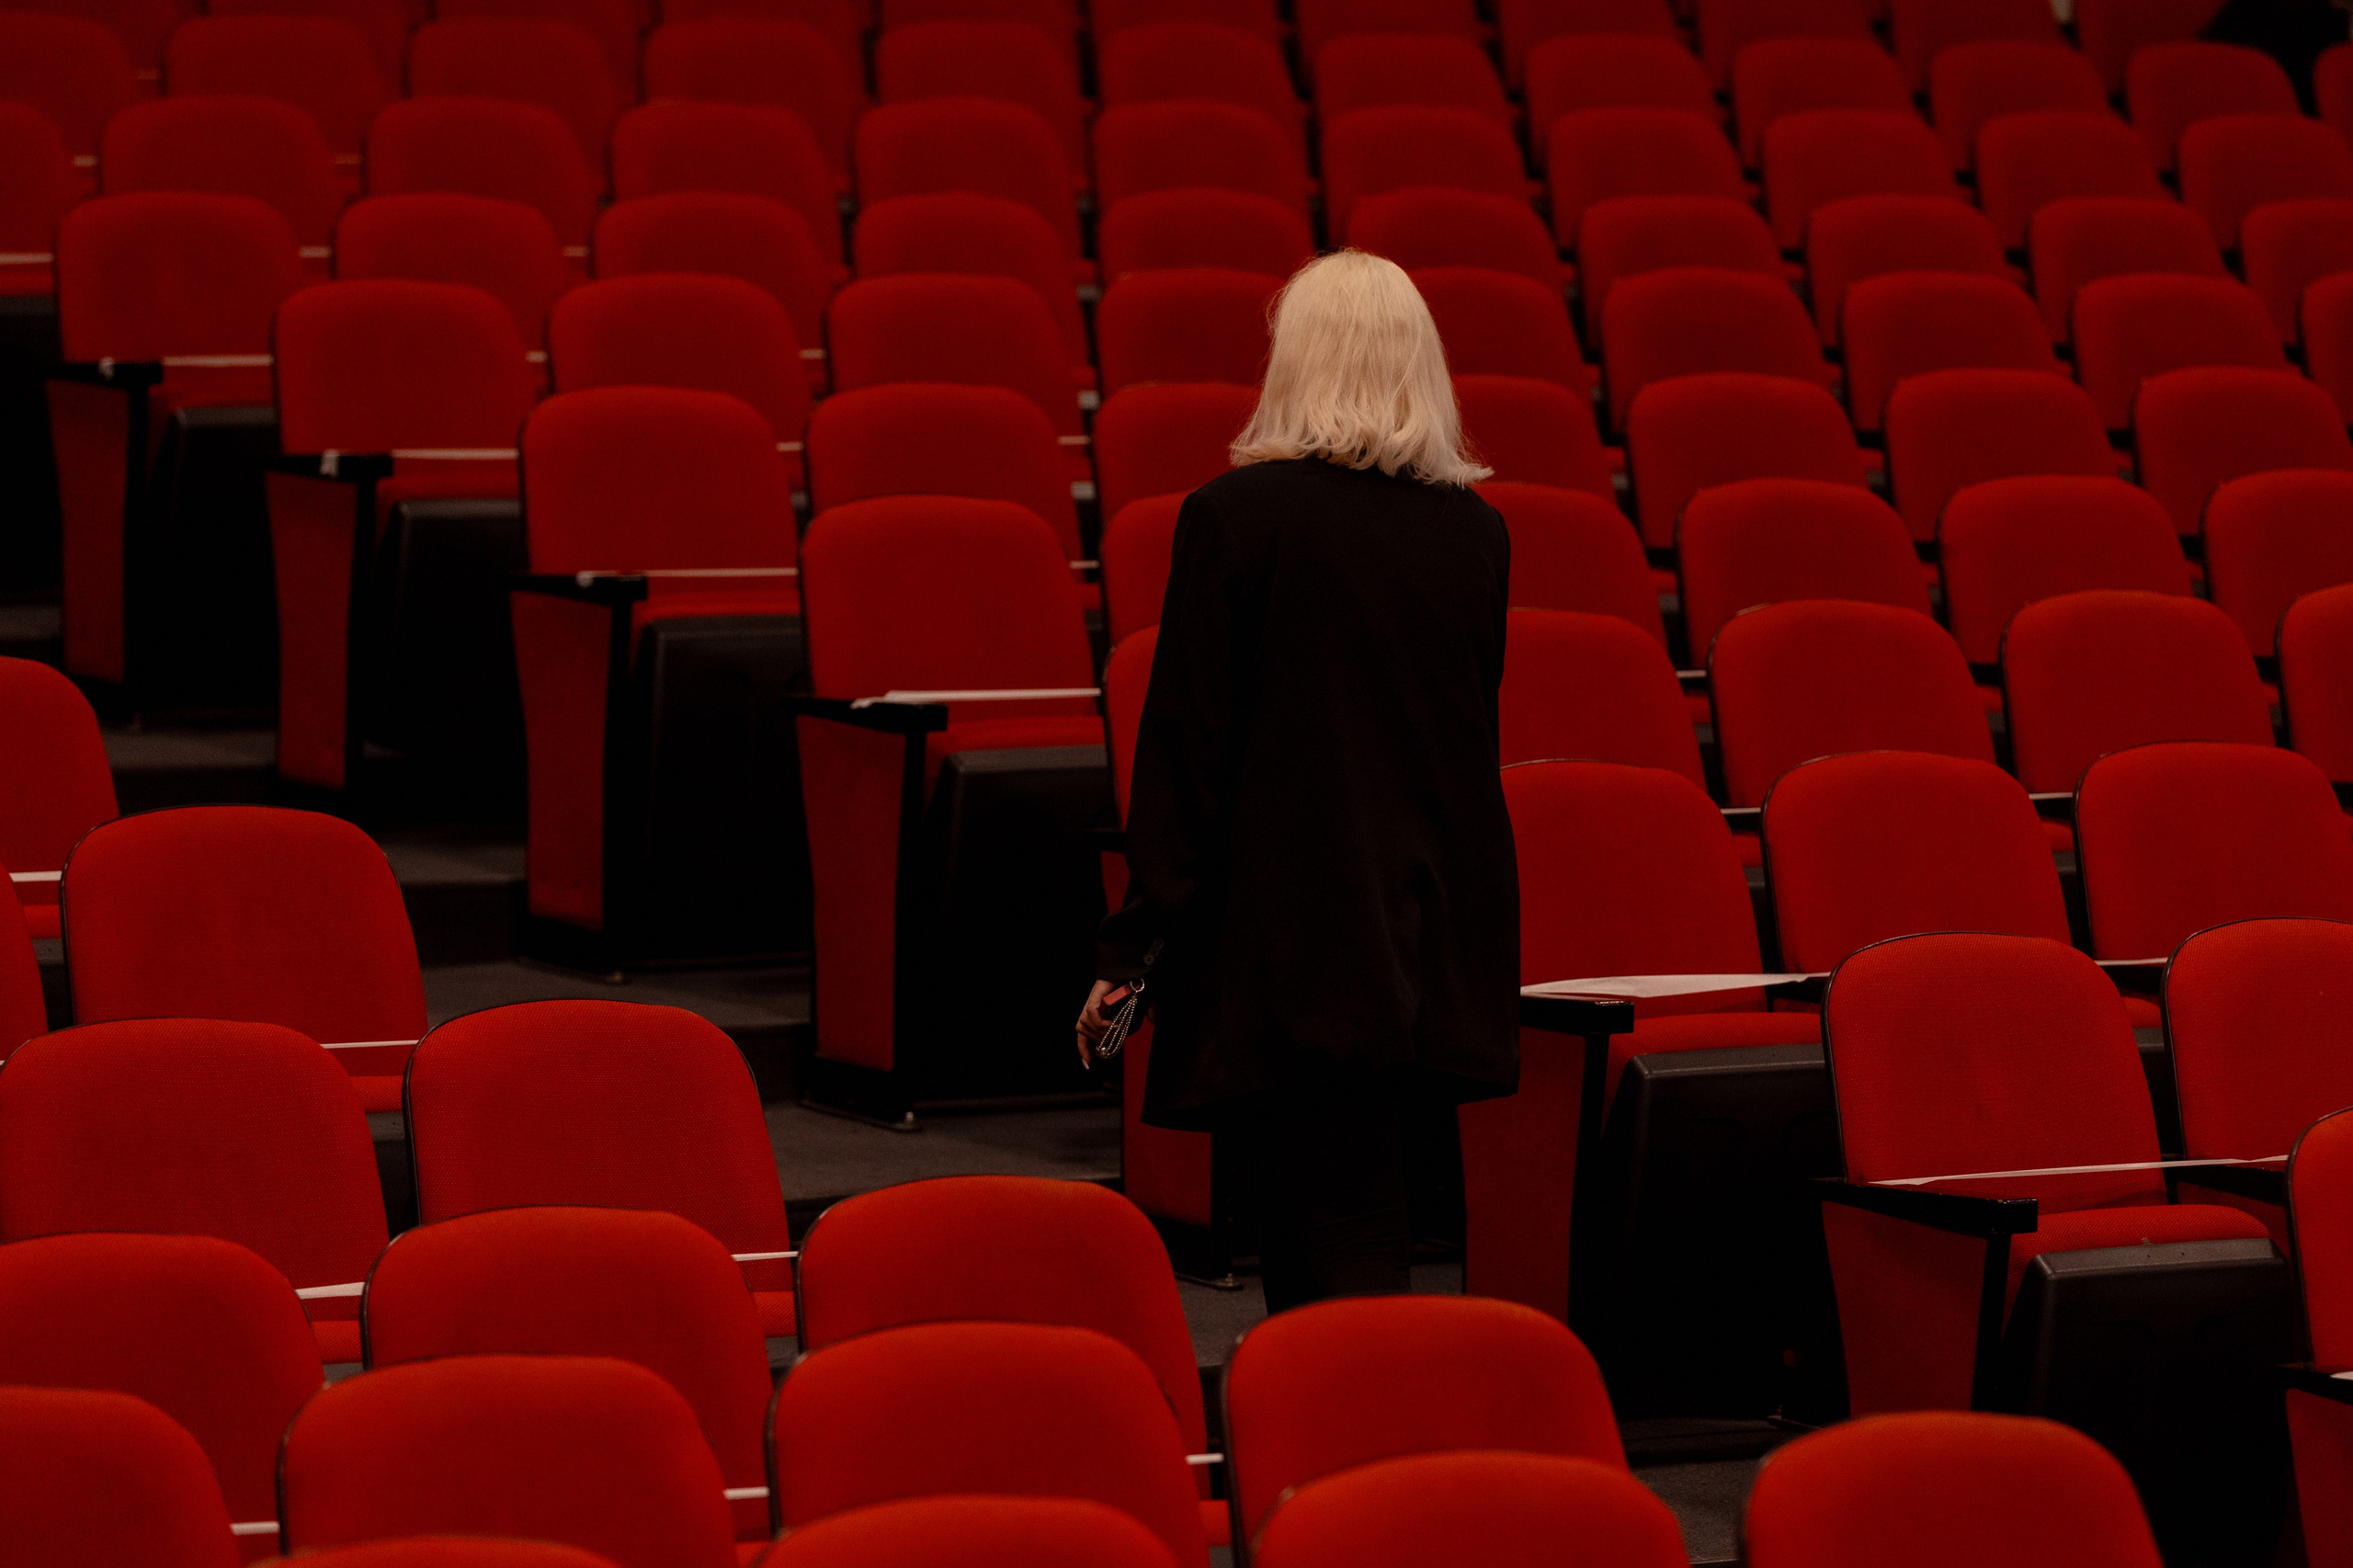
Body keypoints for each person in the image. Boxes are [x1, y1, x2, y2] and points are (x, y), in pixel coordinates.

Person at [1076, 249, 1520, 1312]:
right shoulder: (1476, 534)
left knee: (1326, 1224)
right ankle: (1331, 1444)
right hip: (1426, 926)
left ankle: (1368, 1445)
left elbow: (1188, 747)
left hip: (1290, 928)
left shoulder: (1239, 517)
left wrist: (1134, 946)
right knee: (1340, 1209)